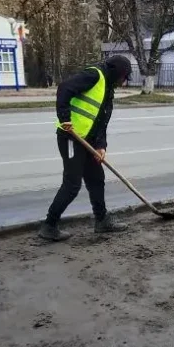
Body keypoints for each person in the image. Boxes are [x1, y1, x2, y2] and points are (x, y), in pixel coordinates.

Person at [39, 55, 132, 242]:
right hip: (71, 137)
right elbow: (64, 88)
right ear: (116, 72)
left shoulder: (108, 89)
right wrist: (65, 118)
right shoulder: (94, 75)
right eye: (123, 77)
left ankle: (102, 221)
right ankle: (49, 225)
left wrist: (101, 146)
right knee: (72, 184)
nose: (123, 82)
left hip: (88, 141)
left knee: (96, 179)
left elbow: (101, 122)